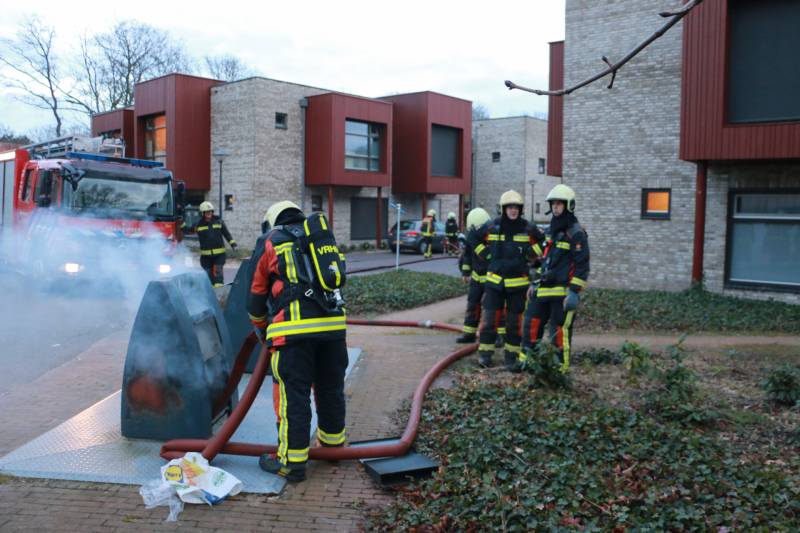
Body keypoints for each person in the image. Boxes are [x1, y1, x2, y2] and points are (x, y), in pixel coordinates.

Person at [248, 201, 348, 482]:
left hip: (294, 334)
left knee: (294, 397)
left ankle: (291, 464)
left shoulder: (271, 241)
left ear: (272, 222)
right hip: (334, 330)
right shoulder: (320, 238)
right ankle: (332, 449)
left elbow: (255, 297)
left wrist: (262, 329)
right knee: (330, 390)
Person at [472, 191, 545, 371]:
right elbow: (472, 238)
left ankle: (511, 358)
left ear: (520, 209)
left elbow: (545, 241)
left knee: (514, 324)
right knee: (489, 321)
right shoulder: (492, 226)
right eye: (510, 207)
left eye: (516, 208)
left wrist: (531, 254)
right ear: (503, 209)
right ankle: (485, 355)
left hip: (518, 286)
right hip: (494, 283)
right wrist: (486, 254)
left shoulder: (528, 228)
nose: (513, 211)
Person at [521, 184, 590, 373]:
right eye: (553, 204)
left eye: (560, 204)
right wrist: (534, 282)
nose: (556, 207)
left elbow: (582, 265)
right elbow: (544, 260)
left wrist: (574, 292)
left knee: (559, 332)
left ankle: (560, 371)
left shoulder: (576, 234)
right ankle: (528, 364)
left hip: (562, 293)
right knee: (531, 324)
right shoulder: (551, 231)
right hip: (543, 289)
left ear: (569, 206)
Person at [455, 207, 491, 343]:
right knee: (472, 306)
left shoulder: (493, 238)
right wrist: (465, 272)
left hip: (491, 279)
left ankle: (495, 336)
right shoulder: (472, 239)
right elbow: (468, 256)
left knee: (491, 309)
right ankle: (469, 334)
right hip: (476, 279)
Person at [191, 201, 237, 288]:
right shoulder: (198, 225)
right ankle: (210, 294)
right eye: (207, 212)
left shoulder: (218, 221)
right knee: (207, 279)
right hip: (205, 258)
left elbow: (226, 234)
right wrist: (181, 224)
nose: (209, 213)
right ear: (202, 213)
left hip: (219, 256)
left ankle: (219, 294)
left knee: (218, 278)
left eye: (210, 211)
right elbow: (188, 230)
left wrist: (233, 244)